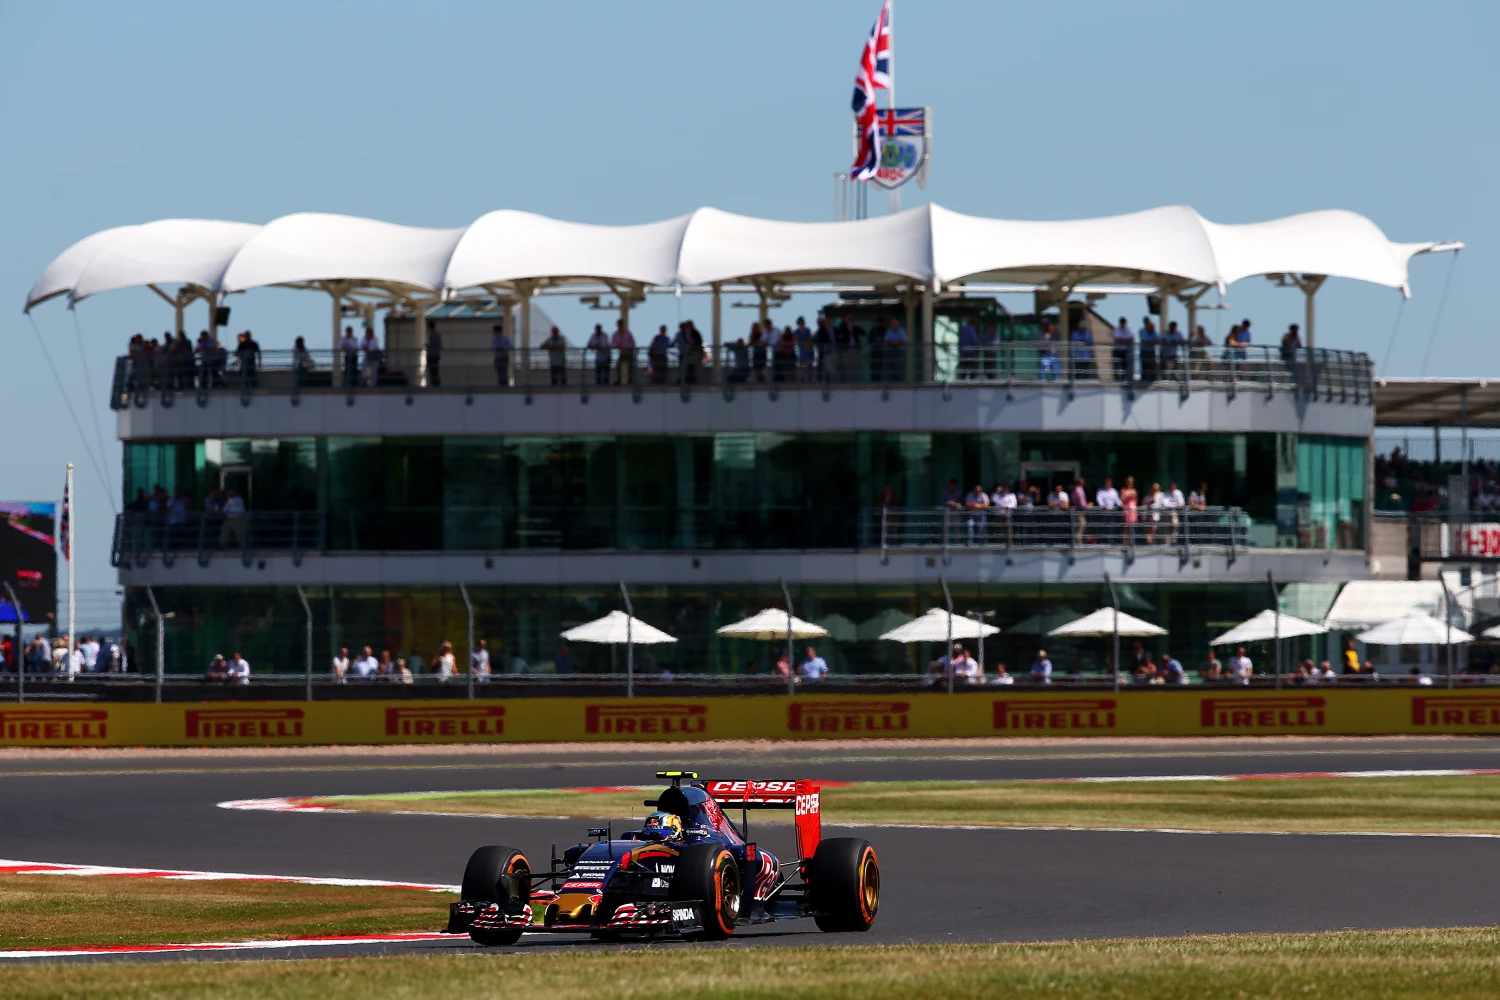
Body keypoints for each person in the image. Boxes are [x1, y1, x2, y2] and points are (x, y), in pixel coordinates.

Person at [1096, 477, 1122, 542]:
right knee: (1103, 527)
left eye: (1110, 483)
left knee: (1111, 527)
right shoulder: (1100, 491)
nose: (1108, 484)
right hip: (1103, 512)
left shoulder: (1114, 491)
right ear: (1105, 483)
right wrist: (1102, 505)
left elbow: (1117, 500)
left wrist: (1122, 505)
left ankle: (1110, 541)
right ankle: (1102, 541)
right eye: (1107, 483)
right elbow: (1099, 499)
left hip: (1111, 512)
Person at [611, 320, 636, 385]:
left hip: (629, 352)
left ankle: (631, 381)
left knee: (630, 367)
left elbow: (633, 343)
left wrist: (626, 347)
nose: (620, 325)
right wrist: (618, 346)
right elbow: (612, 343)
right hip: (622, 353)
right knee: (618, 366)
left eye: (621, 324)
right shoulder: (615, 334)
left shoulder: (628, 333)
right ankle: (619, 380)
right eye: (619, 324)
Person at [1111, 317, 1134, 382]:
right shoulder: (1117, 329)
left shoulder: (1128, 330)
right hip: (1117, 350)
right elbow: (1117, 340)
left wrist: (1122, 340)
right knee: (1116, 365)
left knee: (1124, 366)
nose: (1123, 324)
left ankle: (1124, 378)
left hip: (1124, 351)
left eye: (1124, 323)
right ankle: (1116, 379)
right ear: (1120, 323)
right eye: (1122, 322)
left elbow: (1131, 339)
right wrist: (1125, 340)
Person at [1138, 317, 1160, 383]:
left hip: (1151, 352)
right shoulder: (1143, 331)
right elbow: (1145, 340)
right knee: (1145, 365)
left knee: (1152, 365)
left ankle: (1152, 378)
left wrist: (1151, 342)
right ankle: (1145, 378)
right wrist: (1152, 342)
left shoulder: (1154, 333)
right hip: (1144, 351)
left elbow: (1158, 341)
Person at [1121, 476, 1139, 545]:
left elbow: (1136, 501)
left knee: (1132, 527)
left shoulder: (1134, 491)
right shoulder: (1123, 490)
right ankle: (1125, 543)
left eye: (1131, 482)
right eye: (1128, 482)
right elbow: (1122, 500)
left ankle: (1131, 543)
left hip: (1133, 509)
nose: (1130, 483)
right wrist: (1127, 496)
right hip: (1127, 509)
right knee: (1126, 527)